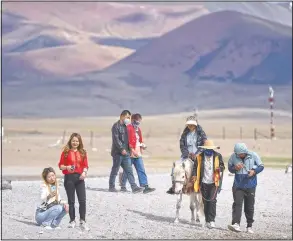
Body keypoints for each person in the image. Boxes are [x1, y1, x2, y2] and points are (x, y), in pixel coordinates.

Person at [227, 143, 264, 234]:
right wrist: (235, 168)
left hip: (251, 185)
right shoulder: (233, 156)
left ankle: (249, 226)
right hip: (238, 185)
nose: (238, 155)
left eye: (240, 154)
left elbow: (261, 166)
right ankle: (236, 224)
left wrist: (254, 172)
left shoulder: (253, 155)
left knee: (249, 206)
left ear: (245, 152)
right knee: (237, 204)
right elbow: (230, 168)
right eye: (237, 154)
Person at [166, 115, 207, 194]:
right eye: (188, 124)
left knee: (203, 168)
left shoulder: (201, 133)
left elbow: (205, 145)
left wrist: (196, 154)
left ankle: (204, 186)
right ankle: (173, 186)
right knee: (175, 167)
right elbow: (182, 145)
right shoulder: (184, 134)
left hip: (198, 155)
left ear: (195, 124)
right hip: (186, 155)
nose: (190, 126)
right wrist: (187, 154)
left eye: (191, 124)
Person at [58, 133, 90, 231]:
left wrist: (84, 173)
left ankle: (82, 221)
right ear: (70, 141)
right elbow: (60, 165)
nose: (75, 143)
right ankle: (72, 221)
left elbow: (85, 165)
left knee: (82, 201)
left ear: (79, 142)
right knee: (71, 201)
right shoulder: (66, 152)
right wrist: (67, 167)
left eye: (77, 141)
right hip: (69, 178)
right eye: (73, 141)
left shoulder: (83, 152)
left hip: (80, 178)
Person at [191, 140, 225, 229]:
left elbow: (222, 166)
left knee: (212, 201)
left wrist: (219, 168)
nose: (209, 151)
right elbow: (195, 167)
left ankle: (212, 220)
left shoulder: (218, 156)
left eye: (210, 150)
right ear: (204, 149)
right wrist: (194, 175)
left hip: (214, 182)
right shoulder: (199, 157)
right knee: (205, 201)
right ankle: (207, 221)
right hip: (203, 182)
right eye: (207, 150)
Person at [108, 110, 143, 193]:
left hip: (126, 153)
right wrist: (121, 149)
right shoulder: (115, 126)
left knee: (129, 170)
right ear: (121, 116)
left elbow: (130, 139)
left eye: (129, 117)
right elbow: (116, 139)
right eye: (127, 117)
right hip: (117, 153)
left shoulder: (127, 126)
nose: (128, 119)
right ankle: (111, 186)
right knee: (115, 170)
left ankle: (134, 187)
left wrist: (130, 150)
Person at [120, 113, 156, 194]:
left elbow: (139, 141)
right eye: (136, 122)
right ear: (132, 120)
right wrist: (132, 150)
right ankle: (123, 186)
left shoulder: (138, 130)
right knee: (127, 171)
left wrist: (142, 146)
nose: (138, 123)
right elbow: (126, 141)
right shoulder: (128, 128)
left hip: (138, 153)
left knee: (141, 169)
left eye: (139, 122)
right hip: (130, 154)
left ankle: (145, 186)